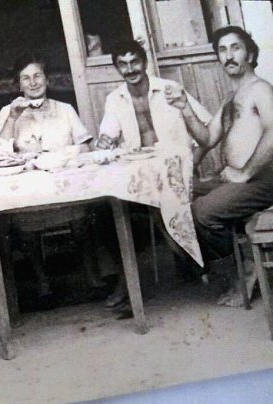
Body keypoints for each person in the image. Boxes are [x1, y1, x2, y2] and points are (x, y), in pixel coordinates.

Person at [96, 39, 212, 311]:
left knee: (164, 205)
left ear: (144, 62)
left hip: (178, 174)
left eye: (134, 62)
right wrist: (104, 142)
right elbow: (107, 136)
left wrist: (192, 164)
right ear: (117, 68)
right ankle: (128, 282)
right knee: (105, 211)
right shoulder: (115, 99)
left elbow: (207, 130)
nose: (130, 69)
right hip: (141, 179)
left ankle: (189, 262)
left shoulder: (170, 90)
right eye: (123, 64)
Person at [165, 26, 273, 306]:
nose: (229, 55)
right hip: (235, 179)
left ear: (250, 54)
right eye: (222, 50)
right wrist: (184, 107)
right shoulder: (230, 97)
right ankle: (229, 268)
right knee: (174, 198)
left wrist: (245, 172)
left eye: (235, 48)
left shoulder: (260, 90)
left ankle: (244, 272)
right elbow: (207, 138)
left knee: (202, 212)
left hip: (262, 180)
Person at [0, 52, 101, 299]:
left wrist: (64, 155)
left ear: (47, 80)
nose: (33, 83)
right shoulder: (8, 112)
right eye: (26, 78)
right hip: (30, 187)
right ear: (19, 84)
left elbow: (86, 146)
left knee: (83, 216)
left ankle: (93, 276)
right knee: (24, 220)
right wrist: (13, 118)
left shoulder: (64, 109)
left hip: (65, 183)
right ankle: (42, 281)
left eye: (37, 76)